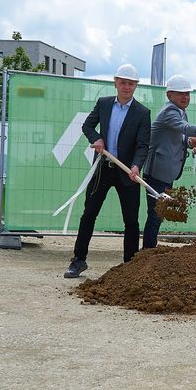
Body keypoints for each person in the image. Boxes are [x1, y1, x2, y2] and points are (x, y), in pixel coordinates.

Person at [65, 63, 151, 278]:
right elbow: (87, 126)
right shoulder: (103, 104)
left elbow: (143, 145)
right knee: (89, 214)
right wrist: (97, 139)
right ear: (115, 83)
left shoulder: (142, 112)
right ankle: (78, 260)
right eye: (123, 82)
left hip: (127, 172)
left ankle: (129, 265)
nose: (126, 87)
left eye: (131, 84)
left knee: (131, 220)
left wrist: (136, 165)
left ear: (136, 86)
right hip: (102, 168)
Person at [142, 75, 196, 250]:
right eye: (181, 94)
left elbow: (177, 135)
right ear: (169, 95)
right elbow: (185, 128)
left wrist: (189, 142)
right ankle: (147, 252)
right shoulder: (169, 111)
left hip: (166, 171)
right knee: (156, 214)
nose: (185, 97)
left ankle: (149, 250)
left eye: (187, 94)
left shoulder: (180, 111)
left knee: (159, 213)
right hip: (157, 171)